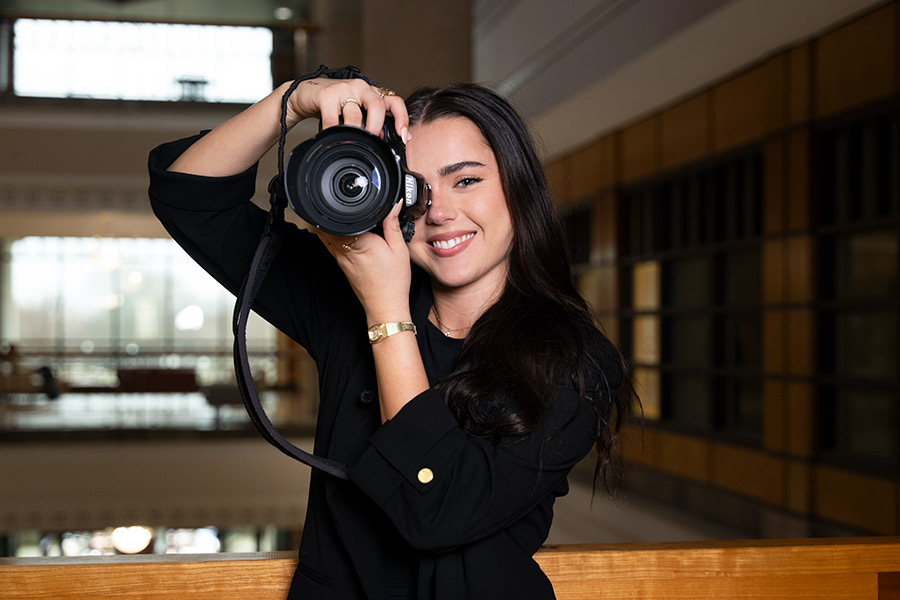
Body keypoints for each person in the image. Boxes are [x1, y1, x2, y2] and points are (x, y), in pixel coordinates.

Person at [148, 69, 635, 600]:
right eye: (418, 189)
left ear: (517, 186)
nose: (441, 213)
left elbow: (434, 508)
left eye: (466, 180)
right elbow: (189, 198)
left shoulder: (574, 361)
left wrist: (385, 310)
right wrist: (294, 101)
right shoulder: (346, 297)